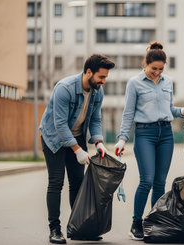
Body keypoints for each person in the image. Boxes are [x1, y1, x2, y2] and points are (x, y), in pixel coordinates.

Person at [114, 41, 184, 241]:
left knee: (159, 183)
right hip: (144, 134)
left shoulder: (168, 82)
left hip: (166, 134)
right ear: (145, 63)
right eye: (153, 68)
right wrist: (122, 139)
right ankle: (136, 223)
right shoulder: (134, 83)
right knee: (146, 180)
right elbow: (128, 113)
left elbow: (169, 109)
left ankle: (155, 222)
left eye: (161, 69)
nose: (157, 72)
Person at [39, 54, 115, 244]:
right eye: (101, 77)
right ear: (88, 72)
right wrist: (77, 149)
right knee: (56, 182)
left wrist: (98, 142)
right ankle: (54, 229)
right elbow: (60, 125)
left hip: (77, 136)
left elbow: (96, 119)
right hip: (54, 138)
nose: (103, 82)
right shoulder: (64, 89)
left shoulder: (98, 91)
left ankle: (78, 228)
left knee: (78, 184)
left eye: (105, 77)